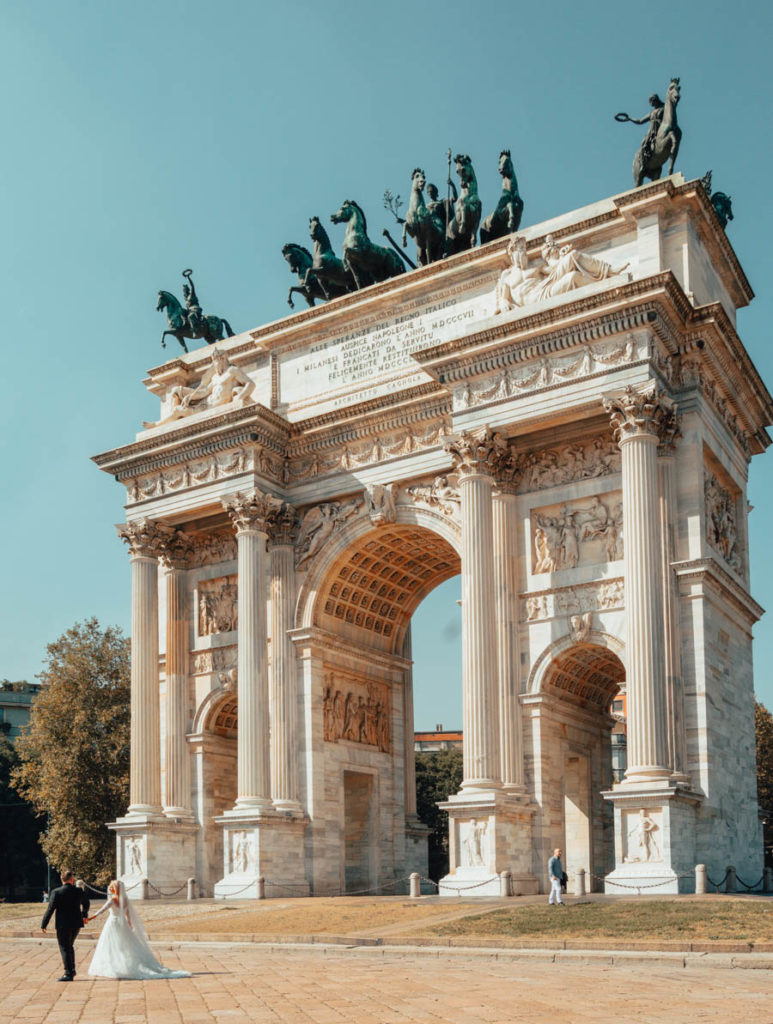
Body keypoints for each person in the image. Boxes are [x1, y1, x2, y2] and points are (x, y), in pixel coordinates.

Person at [87, 880, 190, 980]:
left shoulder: (112, 900)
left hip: (113, 923)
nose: (110, 888)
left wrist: (90, 918)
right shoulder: (125, 900)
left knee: (111, 945)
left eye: (111, 887)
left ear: (115, 889)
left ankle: (115, 965)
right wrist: (130, 925)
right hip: (123, 924)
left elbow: (102, 910)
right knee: (126, 945)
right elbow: (128, 915)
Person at [41, 869, 90, 981]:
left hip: (63, 924)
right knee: (69, 946)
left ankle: (68, 973)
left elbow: (50, 909)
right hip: (76, 923)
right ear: (72, 879)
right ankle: (71, 970)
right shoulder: (78, 891)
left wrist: (44, 923)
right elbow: (86, 902)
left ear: (61, 879)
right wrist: (84, 914)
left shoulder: (56, 892)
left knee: (65, 947)